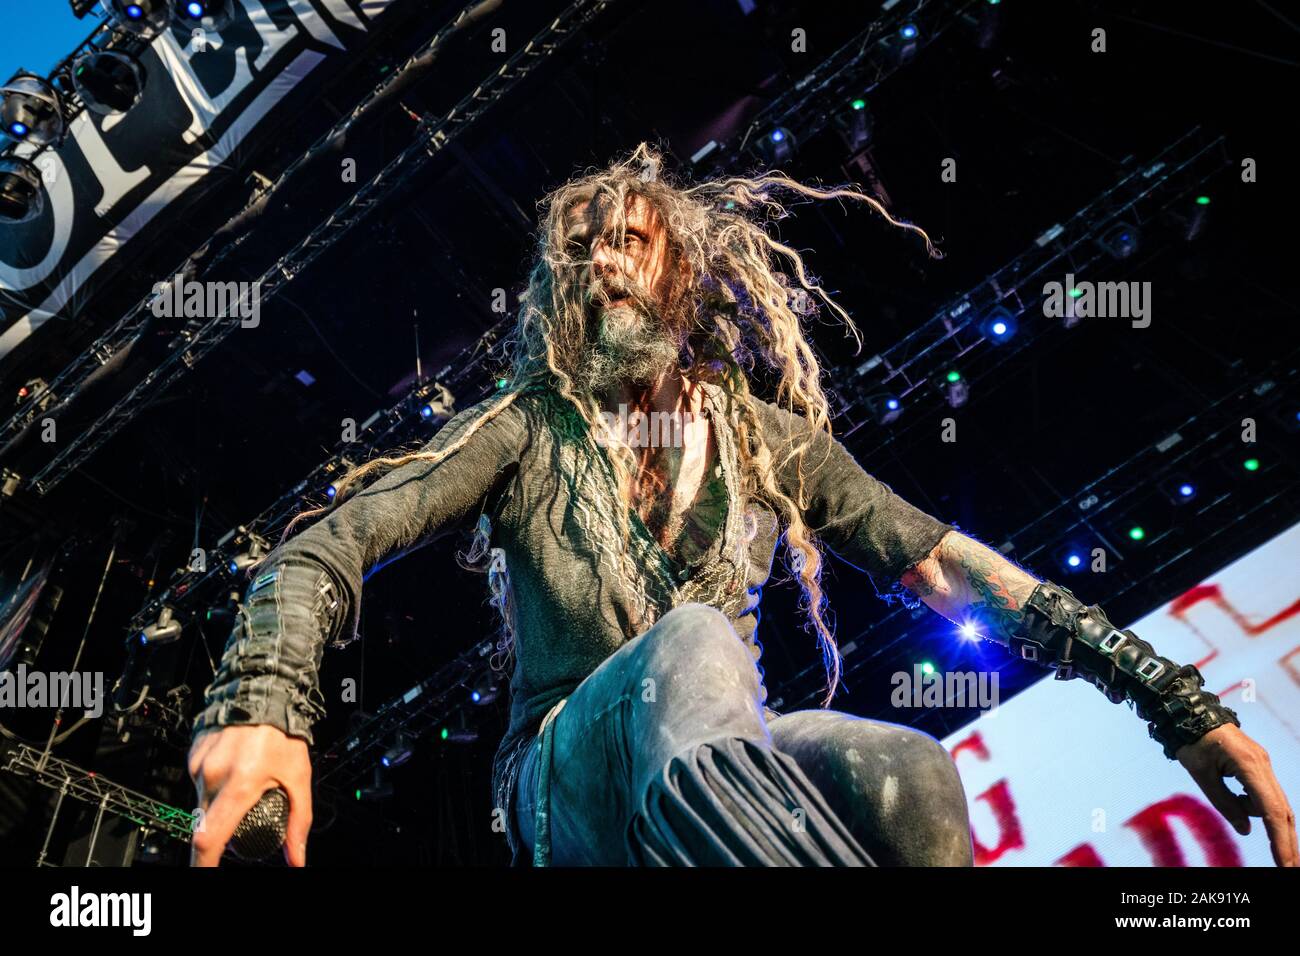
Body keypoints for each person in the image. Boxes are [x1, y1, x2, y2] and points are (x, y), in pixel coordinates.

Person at [187, 144, 1297, 867]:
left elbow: (945, 563)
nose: (600, 262)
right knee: (697, 636)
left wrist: (1171, 702)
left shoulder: (767, 440)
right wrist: (265, 703)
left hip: (725, 772)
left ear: (680, 275)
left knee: (910, 772)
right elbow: (329, 544)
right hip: (559, 786)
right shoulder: (525, 424)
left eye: (628, 239)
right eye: (577, 248)